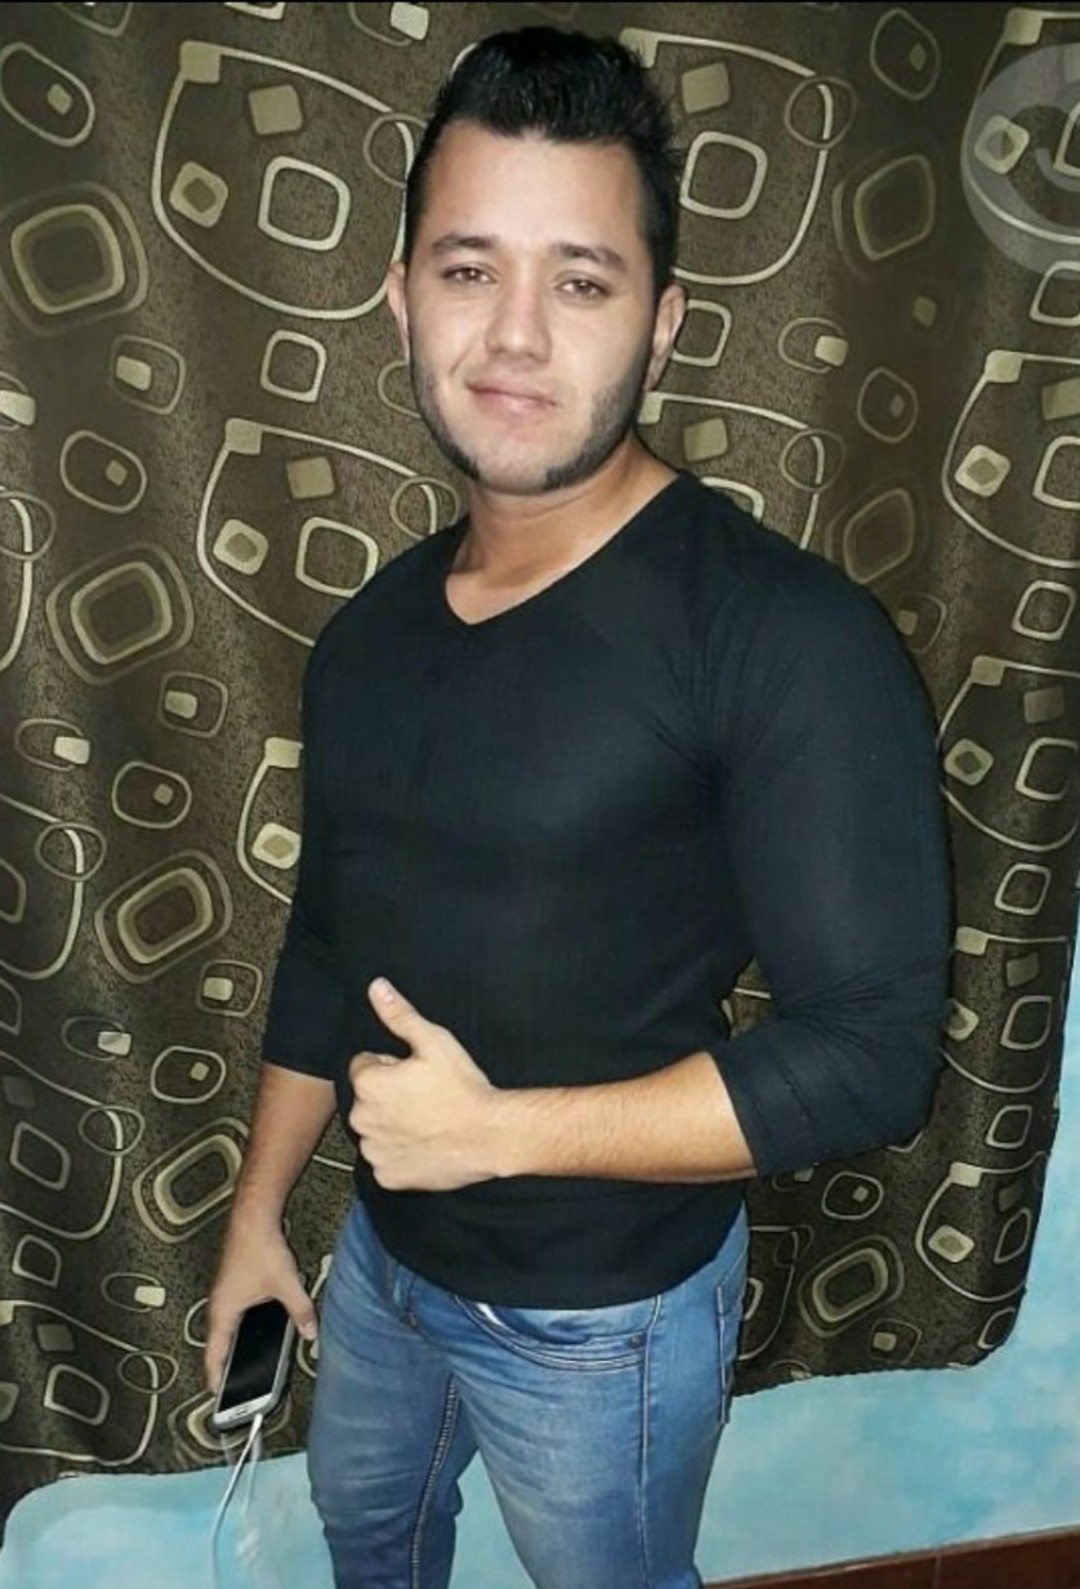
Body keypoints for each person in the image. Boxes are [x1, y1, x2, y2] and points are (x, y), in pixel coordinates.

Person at [206, 26, 951, 1589]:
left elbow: (875, 1055)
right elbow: (328, 933)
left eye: (584, 280)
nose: (517, 334)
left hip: (603, 1323)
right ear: (402, 296)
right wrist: (259, 1212)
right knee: (369, 1536)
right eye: (471, 269)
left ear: (663, 323)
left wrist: (495, 1136)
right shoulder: (369, 637)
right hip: (381, 1259)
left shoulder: (783, 636)